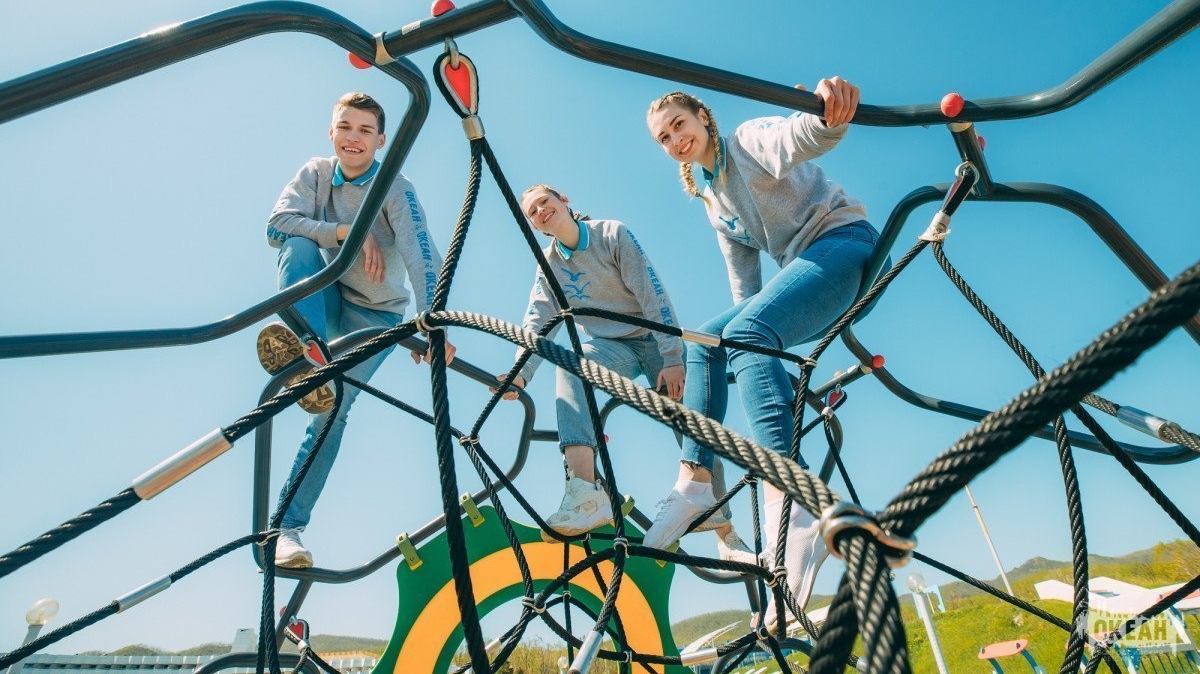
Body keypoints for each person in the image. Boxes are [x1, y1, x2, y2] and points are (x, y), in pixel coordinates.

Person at [642, 78, 878, 624]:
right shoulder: (711, 196)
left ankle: (792, 505)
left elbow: (798, 138)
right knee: (705, 340)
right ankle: (695, 483)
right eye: (663, 137)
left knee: (746, 335)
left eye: (679, 124)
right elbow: (745, 288)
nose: (674, 138)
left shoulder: (747, 141)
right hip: (801, 273)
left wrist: (826, 117)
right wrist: (744, 341)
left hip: (844, 245)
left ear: (703, 117)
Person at [493, 184, 754, 560]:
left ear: (564, 200)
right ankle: (585, 493)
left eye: (544, 202)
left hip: (653, 337)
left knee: (688, 421)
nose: (541, 212)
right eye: (532, 212)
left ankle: (723, 530)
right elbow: (536, 320)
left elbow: (652, 292)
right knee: (571, 360)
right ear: (535, 226)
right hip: (610, 347)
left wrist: (672, 357)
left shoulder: (611, 234)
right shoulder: (548, 266)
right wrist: (520, 373)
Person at [259, 91, 454, 568]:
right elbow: (276, 226)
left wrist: (432, 324)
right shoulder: (317, 174)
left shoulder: (394, 186)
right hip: (323, 299)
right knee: (298, 247)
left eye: (365, 130)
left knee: (332, 412)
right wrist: (348, 232)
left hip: (375, 314)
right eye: (346, 127)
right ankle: (308, 353)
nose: (354, 137)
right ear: (332, 132)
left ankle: (287, 528)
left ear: (380, 140)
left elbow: (421, 254)